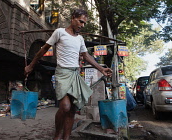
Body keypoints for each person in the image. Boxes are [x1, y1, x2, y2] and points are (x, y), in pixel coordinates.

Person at [24, 9, 112, 140]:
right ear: (73, 18)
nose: (82, 25)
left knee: (72, 109)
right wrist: (31, 65)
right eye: (80, 21)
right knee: (65, 107)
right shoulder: (59, 32)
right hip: (62, 73)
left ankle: (66, 137)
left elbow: (86, 56)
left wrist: (101, 69)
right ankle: (57, 135)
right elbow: (44, 49)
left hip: (75, 74)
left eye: (84, 23)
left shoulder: (80, 39)